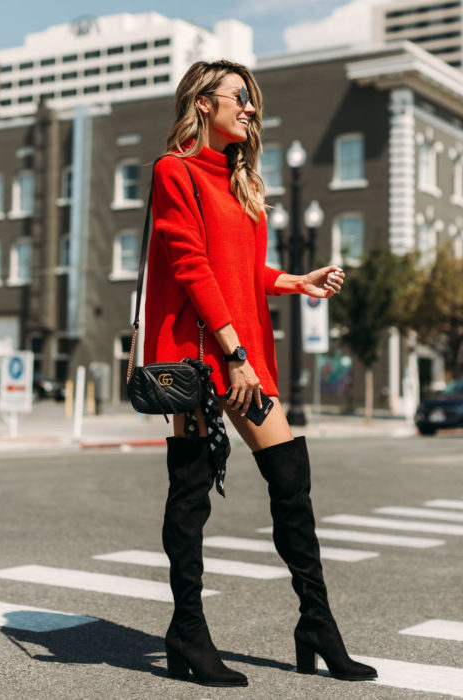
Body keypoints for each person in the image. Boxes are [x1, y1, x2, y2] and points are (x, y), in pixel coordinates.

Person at [144, 59, 377, 688]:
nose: (249, 109)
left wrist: (292, 281)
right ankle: (188, 631)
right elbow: (191, 266)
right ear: (202, 105)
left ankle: (317, 625)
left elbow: (240, 271)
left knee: (290, 480)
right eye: (238, 99)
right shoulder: (177, 171)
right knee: (190, 494)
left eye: (252, 102)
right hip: (202, 356)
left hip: (243, 353)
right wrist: (234, 352)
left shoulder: (239, 184)